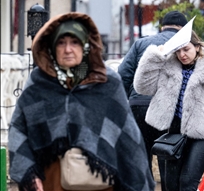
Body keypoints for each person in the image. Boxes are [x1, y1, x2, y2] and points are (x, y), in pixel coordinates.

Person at [7, 12, 155, 191]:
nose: (68, 49)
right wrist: (29, 175)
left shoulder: (107, 82)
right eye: (61, 43)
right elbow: (18, 129)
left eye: (75, 42)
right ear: (52, 47)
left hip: (101, 181)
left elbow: (127, 138)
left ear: (86, 45)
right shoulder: (39, 83)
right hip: (52, 181)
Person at [133, 30, 204, 190]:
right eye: (178, 50)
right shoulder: (167, 68)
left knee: (188, 183)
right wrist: (155, 57)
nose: (182, 54)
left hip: (201, 136)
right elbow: (141, 86)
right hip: (172, 133)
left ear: (197, 47)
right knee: (170, 185)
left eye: (186, 49)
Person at [118, 10, 187, 190]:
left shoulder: (141, 43)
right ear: (182, 28)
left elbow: (123, 75)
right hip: (169, 111)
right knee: (167, 157)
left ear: (162, 27)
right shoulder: (184, 46)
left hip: (139, 107)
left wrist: (128, 101)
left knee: (141, 160)